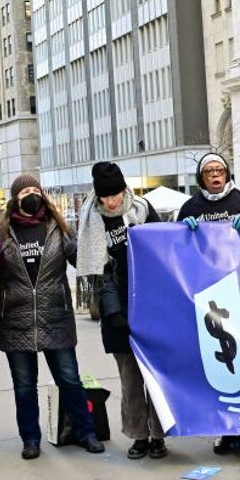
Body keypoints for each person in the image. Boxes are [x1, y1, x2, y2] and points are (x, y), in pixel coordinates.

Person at [0, 174, 105, 460]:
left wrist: (93, 231)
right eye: (25, 191)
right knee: (24, 386)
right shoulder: (2, 234)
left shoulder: (57, 227)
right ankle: (30, 438)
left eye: (35, 189)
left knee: (69, 379)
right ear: (15, 199)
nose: (32, 194)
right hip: (16, 319)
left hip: (56, 315)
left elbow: (80, 257)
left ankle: (85, 432)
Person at [179, 153, 240, 455]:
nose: (215, 176)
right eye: (208, 172)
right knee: (218, 365)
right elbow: (176, 251)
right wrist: (182, 231)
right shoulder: (191, 207)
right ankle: (223, 431)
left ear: (227, 174)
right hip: (209, 296)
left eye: (219, 170)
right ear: (200, 178)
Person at [77, 162, 166, 459]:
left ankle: (159, 435)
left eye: (116, 194)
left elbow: (163, 250)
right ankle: (139, 435)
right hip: (115, 308)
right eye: (106, 196)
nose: (112, 201)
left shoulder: (142, 210)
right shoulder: (91, 219)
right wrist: (112, 311)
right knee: (130, 379)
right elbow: (96, 270)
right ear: (98, 196)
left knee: (154, 377)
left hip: (150, 302)